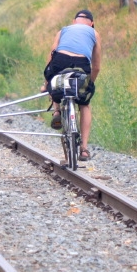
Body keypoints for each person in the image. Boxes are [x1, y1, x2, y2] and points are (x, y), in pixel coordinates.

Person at [41, 9, 101, 161]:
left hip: (60, 60)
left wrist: (46, 82)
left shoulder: (63, 30)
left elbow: (53, 52)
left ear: (74, 21)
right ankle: (84, 149)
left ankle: (56, 112)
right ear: (91, 24)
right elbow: (97, 66)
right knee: (84, 104)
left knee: (53, 80)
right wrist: (90, 84)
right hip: (82, 65)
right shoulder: (94, 34)